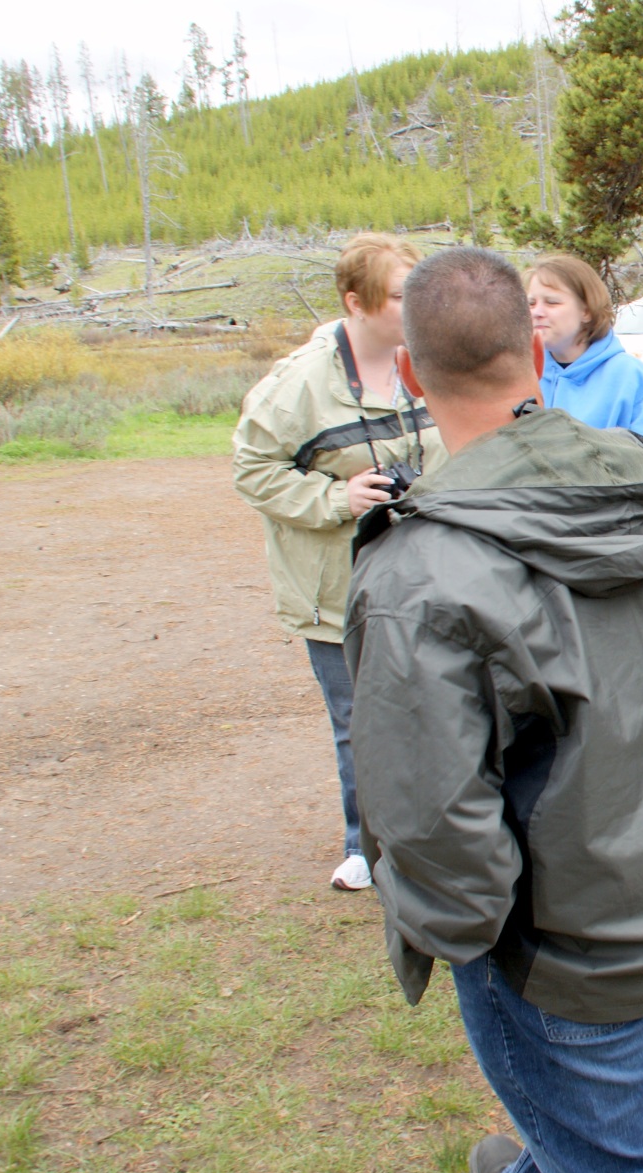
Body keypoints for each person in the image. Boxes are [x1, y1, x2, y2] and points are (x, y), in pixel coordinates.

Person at [344, 247, 643, 1173]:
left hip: (563, 948)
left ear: (410, 375)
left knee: (621, 1166)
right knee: (596, 1126)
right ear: (534, 353)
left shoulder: (424, 572)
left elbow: (433, 815)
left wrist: (469, 940)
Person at [232, 232, 444, 892]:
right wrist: (336, 498)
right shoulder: (298, 383)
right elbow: (253, 470)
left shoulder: (430, 361)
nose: (416, 307)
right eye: (402, 295)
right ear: (356, 301)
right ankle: (366, 845)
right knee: (360, 720)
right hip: (339, 591)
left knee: (435, 707)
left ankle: (434, 837)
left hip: (425, 577)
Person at [525, 253, 643, 447]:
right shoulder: (522, 377)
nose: (537, 312)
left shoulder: (631, 378)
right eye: (531, 303)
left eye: (552, 302)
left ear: (586, 311)